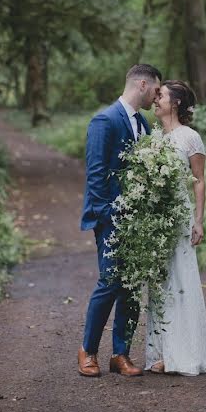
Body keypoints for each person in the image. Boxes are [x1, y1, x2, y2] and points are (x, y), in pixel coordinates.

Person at [78, 64, 162, 377]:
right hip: (111, 218)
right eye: (156, 90)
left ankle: (120, 354)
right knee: (110, 281)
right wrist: (108, 215)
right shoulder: (105, 120)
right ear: (142, 84)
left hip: (138, 219)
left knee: (130, 286)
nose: (157, 98)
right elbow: (96, 173)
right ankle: (87, 351)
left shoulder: (143, 124)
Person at [145, 80, 206, 376]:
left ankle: (185, 352)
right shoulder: (153, 138)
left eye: (161, 96)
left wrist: (199, 220)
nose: (156, 100)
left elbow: (199, 179)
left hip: (178, 217)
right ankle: (161, 351)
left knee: (179, 281)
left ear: (176, 102)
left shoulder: (190, 137)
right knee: (159, 284)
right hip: (155, 220)